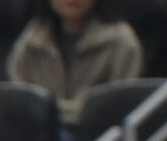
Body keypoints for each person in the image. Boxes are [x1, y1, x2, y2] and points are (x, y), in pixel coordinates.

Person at [8, 0, 143, 127]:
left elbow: (122, 105)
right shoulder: (31, 41)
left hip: (100, 138)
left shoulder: (121, 42)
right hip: (40, 137)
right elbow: (21, 105)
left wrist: (54, 113)